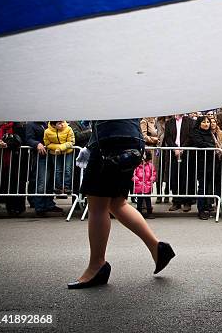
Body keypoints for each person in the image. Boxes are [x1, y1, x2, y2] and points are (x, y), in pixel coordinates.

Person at [69, 119, 175, 289]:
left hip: (109, 139)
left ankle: (97, 264)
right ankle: (157, 247)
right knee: (117, 203)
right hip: (131, 140)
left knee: (98, 206)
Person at [26, 121, 62, 216]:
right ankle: (40, 206)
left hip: (53, 154)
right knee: (42, 181)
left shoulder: (48, 123)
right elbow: (29, 139)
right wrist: (37, 144)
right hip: (41, 156)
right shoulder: (31, 124)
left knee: (50, 181)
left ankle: (49, 204)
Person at [190, 115, 222, 220]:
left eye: (208, 122)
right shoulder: (196, 132)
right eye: (204, 122)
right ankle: (201, 210)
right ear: (199, 123)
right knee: (202, 186)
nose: (206, 124)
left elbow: (211, 144)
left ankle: (207, 206)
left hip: (211, 163)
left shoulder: (210, 133)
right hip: (201, 163)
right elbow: (200, 144)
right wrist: (211, 147)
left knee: (208, 185)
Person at [162, 114, 193, 212]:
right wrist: (175, 148)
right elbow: (167, 137)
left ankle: (187, 202)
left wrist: (182, 148)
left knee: (186, 177)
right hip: (173, 153)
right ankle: (176, 201)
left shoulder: (190, 121)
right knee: (174, 177)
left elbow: (190, 136)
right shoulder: (169, 123)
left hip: (186, 153)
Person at [43, 121, 75, 195]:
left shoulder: (68, 129)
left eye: (62, 122)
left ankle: (67, 187)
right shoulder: (47, 131)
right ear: (54, 125)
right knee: (57, 170)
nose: (62, 124)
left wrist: (60, 148)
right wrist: (56, 148)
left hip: (68, 152)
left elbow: (71, 142)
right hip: (55, 153)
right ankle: (58, 187)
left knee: (68, 169)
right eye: (59, 123)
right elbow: (47, 143)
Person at [133, 150, 157, 219]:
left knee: (148, 200)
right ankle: (139, 213)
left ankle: (149, 212)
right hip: (139, 186)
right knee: (139, 201)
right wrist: (137, 181)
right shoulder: (136, 166)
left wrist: (150, 181)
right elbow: (133, 175)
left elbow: (153, 174)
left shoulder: (150, 166)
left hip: (147, 186)